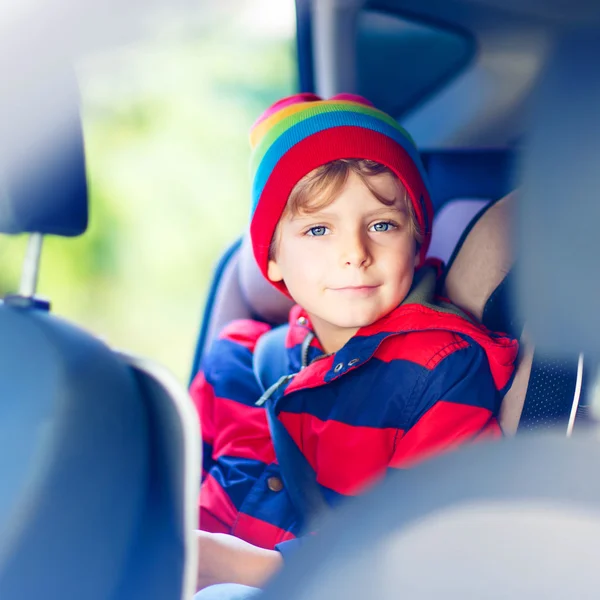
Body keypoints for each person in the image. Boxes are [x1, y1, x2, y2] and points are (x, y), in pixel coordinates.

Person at [190, 93, 518, 595]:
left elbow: (433, 544)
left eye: (382, 225)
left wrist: (254, 571)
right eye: (319, 228)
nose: (355, 254)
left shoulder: (439, 372)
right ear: (271, 257)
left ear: (417, 239)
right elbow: (160, 490)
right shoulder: (236, 358)